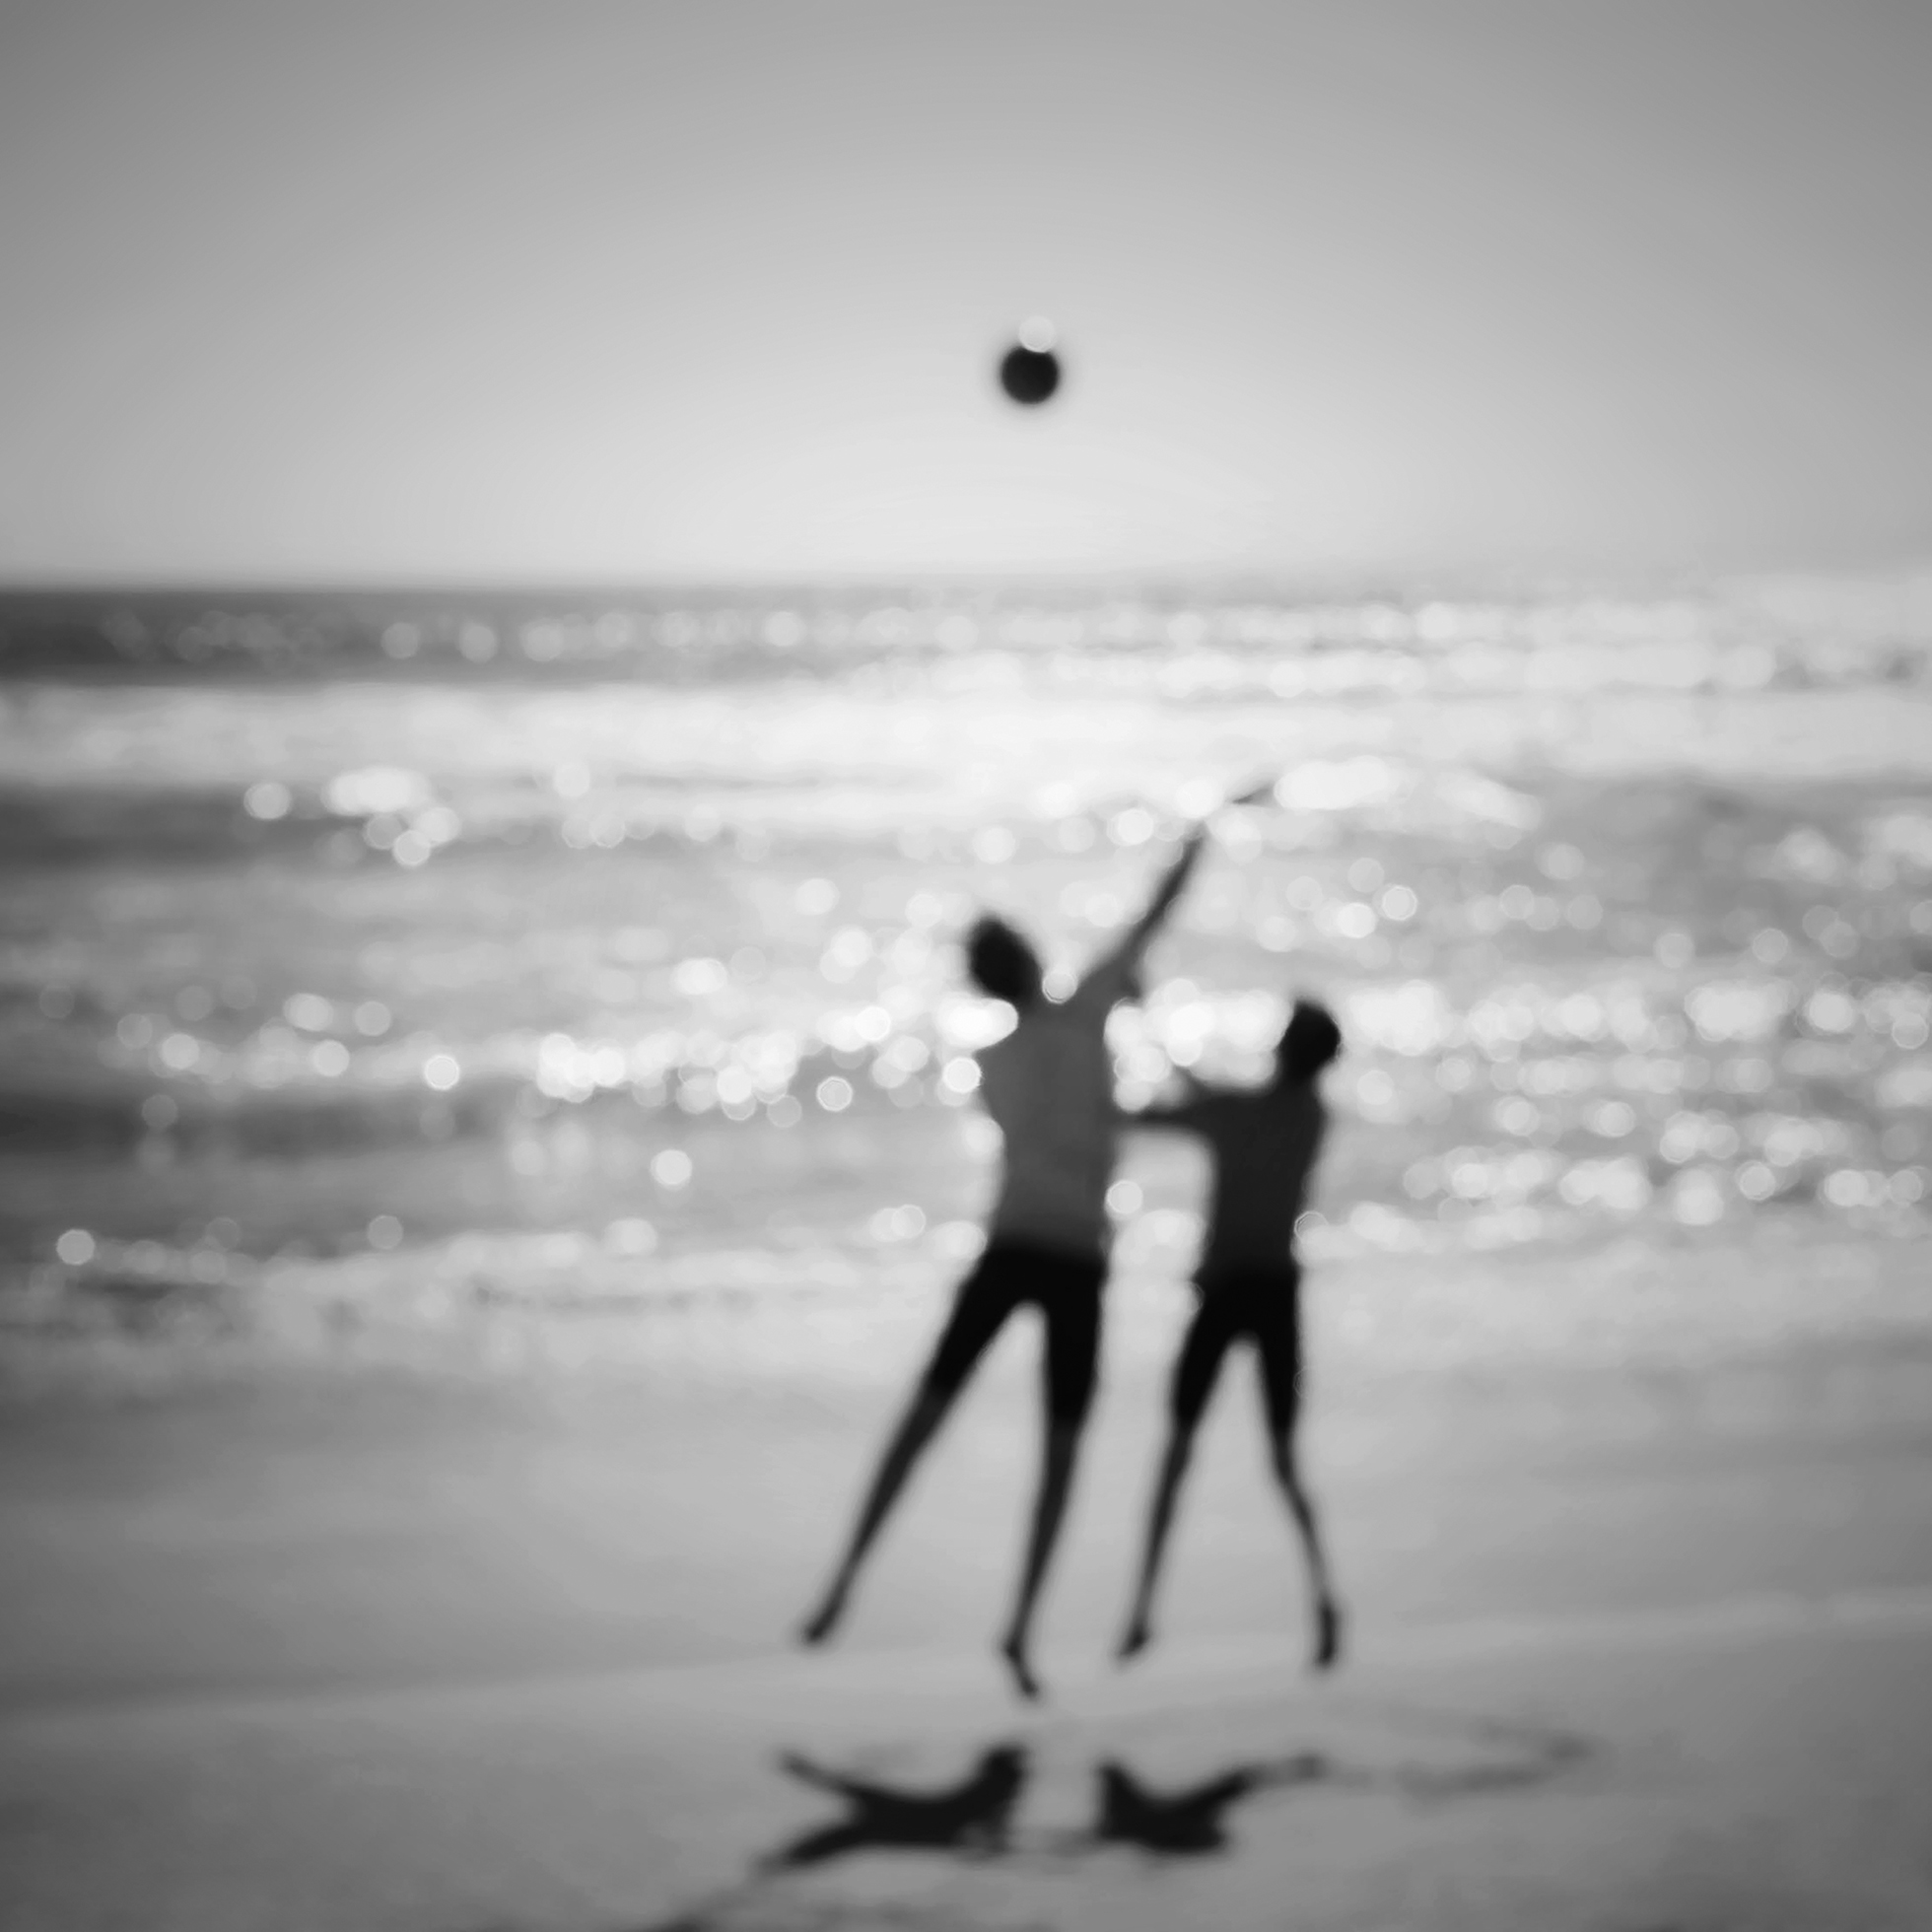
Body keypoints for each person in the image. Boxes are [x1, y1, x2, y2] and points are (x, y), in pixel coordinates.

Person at [799, 823, 1208, 1699]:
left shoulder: (992, 1061)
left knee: (923, 1420)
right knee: (1060, 1452)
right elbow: (1157, 912)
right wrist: (1203, 827)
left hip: (1008, 1247)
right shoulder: (1090, 1001)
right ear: (1029, 957)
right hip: (1075, 1262)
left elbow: (1060, 1131)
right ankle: (1020, 1628)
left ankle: (845, 1581)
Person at [1115, 998, 1345, 1670]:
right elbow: (1201, 1095)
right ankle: (1323, 1599)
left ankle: (1141, 1611)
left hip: (1226, 1295)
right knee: (1282, 1461)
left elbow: (1179, 1101)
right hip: (1274, 1293)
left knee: (1178, 1454)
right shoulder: (1310, 1118)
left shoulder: (1247, 1113)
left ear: (1285, 1049)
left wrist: (1142, 1020)